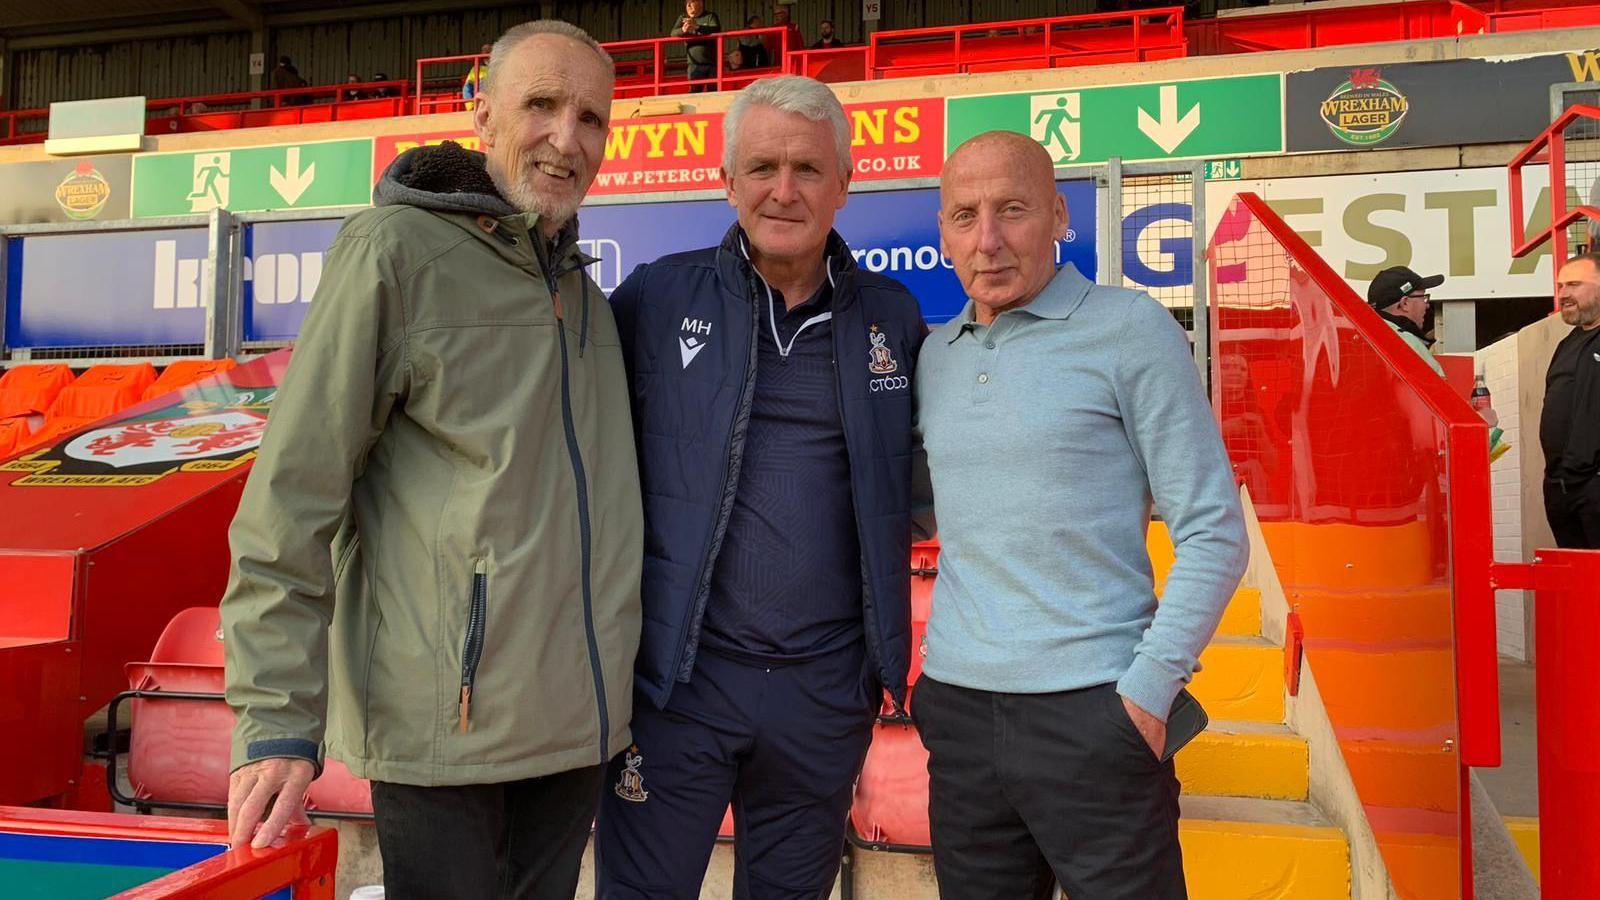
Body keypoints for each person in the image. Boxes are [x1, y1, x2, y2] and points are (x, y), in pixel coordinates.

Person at [221, 20, 642, 900]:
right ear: (481, 111)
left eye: (592, 118)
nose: (568, 139)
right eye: (541, 105)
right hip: (446, 737)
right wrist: (274, 726)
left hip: (573, 737)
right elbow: (291, 503)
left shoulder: (587, 300)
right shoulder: (392, 254)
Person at [594, 75, 929, 899]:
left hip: (824, 695)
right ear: (728, 180)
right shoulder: (656, 299)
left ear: (845, 185)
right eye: (764, 167)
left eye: (809, 170)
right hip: (676, 689)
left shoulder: (894, 317)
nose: (785, 190)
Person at [912, 130, 1248, 899]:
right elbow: (934, 509)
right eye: (964, 216)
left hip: (1096, 713)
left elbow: (1213, 529)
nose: (987, 240)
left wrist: (1147, 692)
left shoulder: (1130, 329)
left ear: (1059, 215)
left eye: (1013, 210)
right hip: (960, 716)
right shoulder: (938, 355)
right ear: (943, 234)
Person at [1542, 252, 1600, 548]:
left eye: (1574, 284)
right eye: (1561, 286)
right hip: (1560, 489)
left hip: (1594, 485)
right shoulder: (1566, 344)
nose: (1563, 294)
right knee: (1576, 588)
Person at [1367, 265, 1445, 376]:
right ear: (1405, 303)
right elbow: (1438, 391)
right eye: (1423, 297)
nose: (1427, 305)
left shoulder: (1365, 338)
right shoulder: (1408, 345)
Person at [672, 0, 722, 93]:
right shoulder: (683, 17)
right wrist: (683, 29)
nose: (689, 5)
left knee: (714, 94)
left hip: (712, 63)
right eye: (687, 3)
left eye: (692, 2)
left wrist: (697, 27)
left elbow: (716, 29)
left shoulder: (710, 16)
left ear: (701, 3)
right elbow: (673, 33)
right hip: (694, 65)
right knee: (694, 94)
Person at [463, 43, 492, 110]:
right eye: (485, 54)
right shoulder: (476, 69)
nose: (487, 57)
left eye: (489, 53)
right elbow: (467, 88)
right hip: (482, 104)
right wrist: (471, 106)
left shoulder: (500, 68)